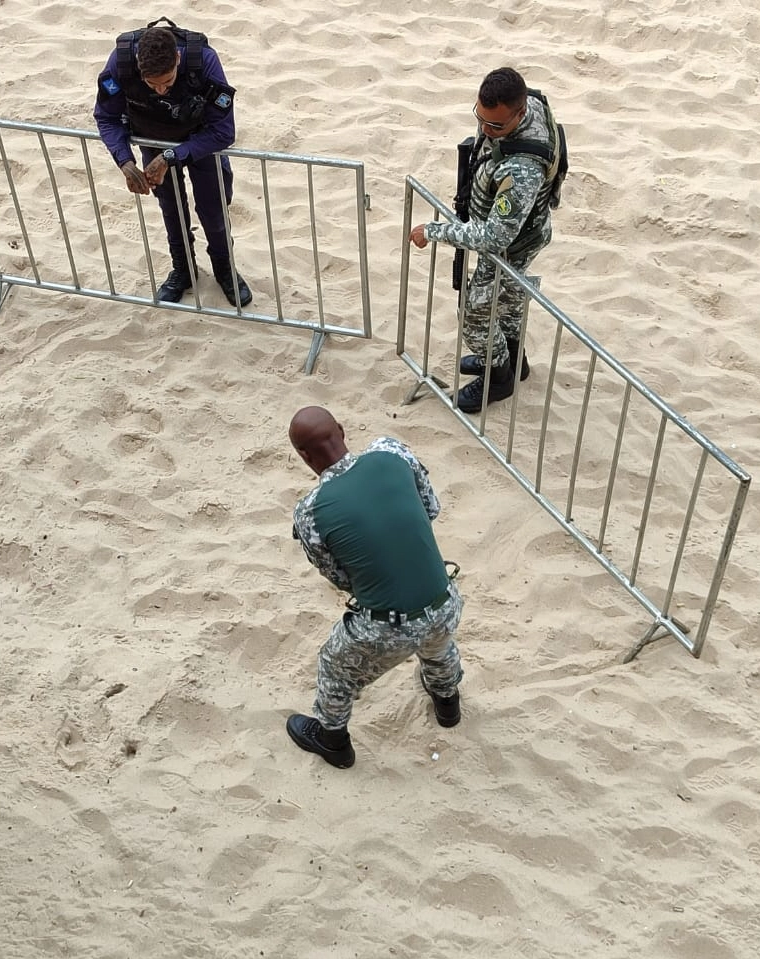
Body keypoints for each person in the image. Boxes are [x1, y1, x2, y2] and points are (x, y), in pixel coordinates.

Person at [285, 406, 464, 769]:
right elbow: (430, 508)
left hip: (387, 626)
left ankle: (333, 739)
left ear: (303, 456)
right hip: (445, 601)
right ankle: (447, 702)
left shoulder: (309, 511)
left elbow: (338, 576)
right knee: (437, 642)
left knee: (335, 666)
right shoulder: (391, 450)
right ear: (342, 430)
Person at [410, 67, 566, 413]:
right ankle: (514, 362)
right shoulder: (529, 102)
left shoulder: (522, 169)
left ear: (520, 112)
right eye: (480, 119)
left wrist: (434, 231)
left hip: (512, 243)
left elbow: (494, 236)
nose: (485, 130)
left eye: (496, 126)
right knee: (509, 299)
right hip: (523, 233)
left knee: (476, 313)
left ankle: (498, 378)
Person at [94, 18, 252, 307]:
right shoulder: (122, 62)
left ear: (178, 59)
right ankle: (183, 270)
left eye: (167, 81)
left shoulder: (203, 60)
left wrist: (172, 156)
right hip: (152, 138)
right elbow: (106, 116)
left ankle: (225, 269)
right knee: (170, 206)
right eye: (151, 84)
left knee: (213, 208)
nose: (160, 91)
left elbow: (223, 131)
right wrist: (125, 161)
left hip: (201, 143)